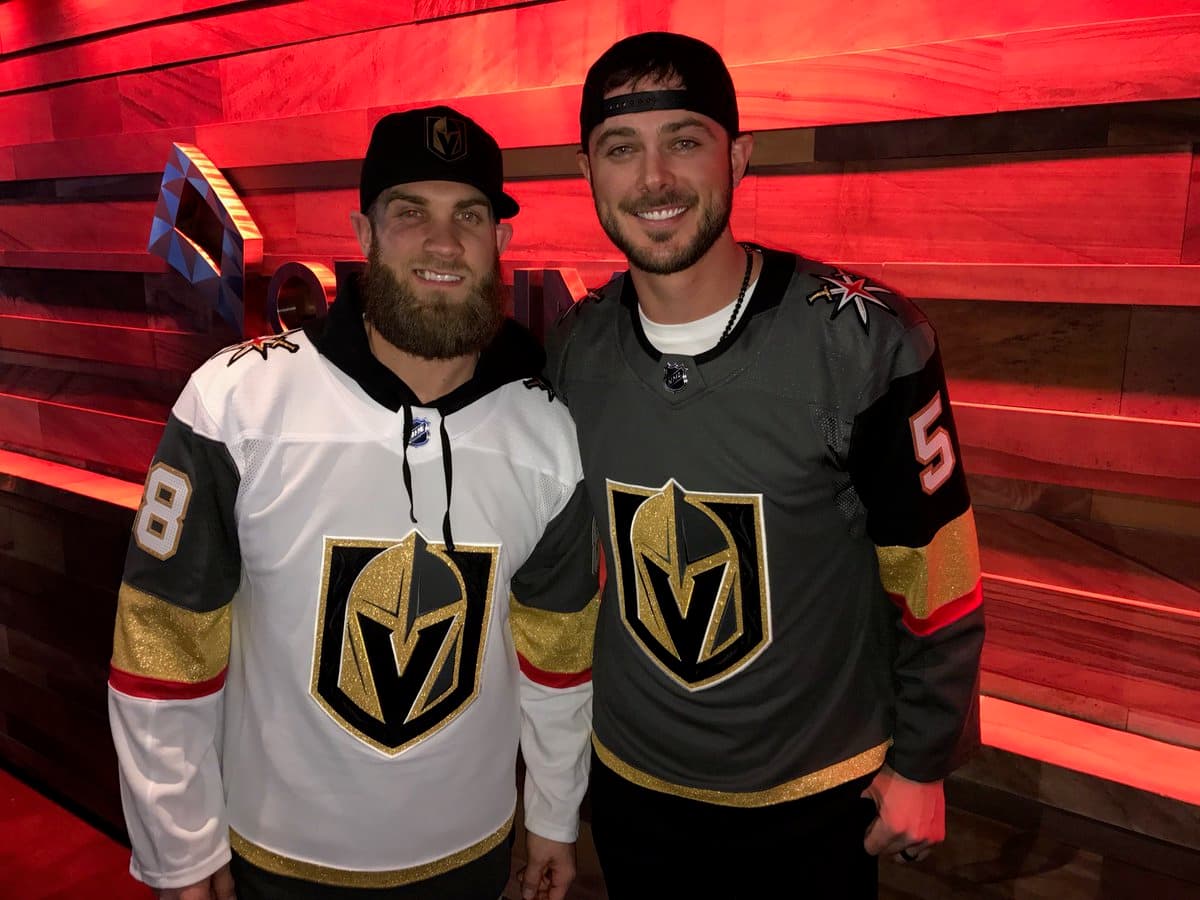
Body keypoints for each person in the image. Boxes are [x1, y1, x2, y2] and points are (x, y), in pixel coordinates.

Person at [108, 105, 599, 900]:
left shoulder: (546, 432)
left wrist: (552, 813)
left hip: (471, 855)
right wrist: (180, 849)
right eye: (410, 213)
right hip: (273, 859)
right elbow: (162, 644)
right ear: (364, 233)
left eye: (469, 216)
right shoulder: (235, 403)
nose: (444, 242)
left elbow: (560, 656)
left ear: (501, 240)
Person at [546, 32, 986, 898]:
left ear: (738, 157)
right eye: (621, 149)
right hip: (633, 788)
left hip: (818, 797)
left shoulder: (866, 342)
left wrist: (923, 761)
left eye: (685, 140)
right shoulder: (573, 349)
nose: (655, 179)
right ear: (588, 171)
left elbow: (936, 567)